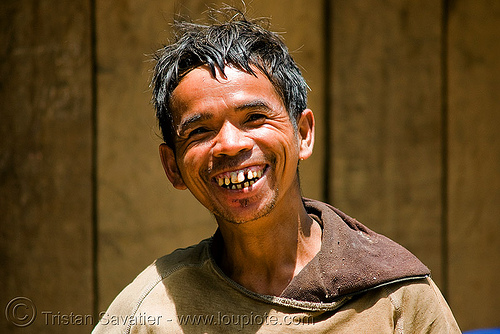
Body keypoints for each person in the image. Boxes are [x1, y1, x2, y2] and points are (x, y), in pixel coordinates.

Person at [93, 8, 460, 333]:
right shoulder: (149, 311)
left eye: (254, 118)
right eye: (200, 130)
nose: (229, 144)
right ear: (172, 166)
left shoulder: (397, 298)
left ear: (302, 134)